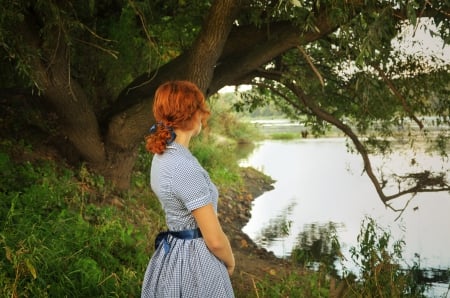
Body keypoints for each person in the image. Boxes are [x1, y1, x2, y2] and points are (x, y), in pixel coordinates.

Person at [141, 80, 235, 297]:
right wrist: (229, 262)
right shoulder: (183, 167)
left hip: (174, 253)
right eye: (200, 109)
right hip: (195, 261)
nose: (203, 115)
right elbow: (214, 239)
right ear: (192, 114)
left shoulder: (163, 155)